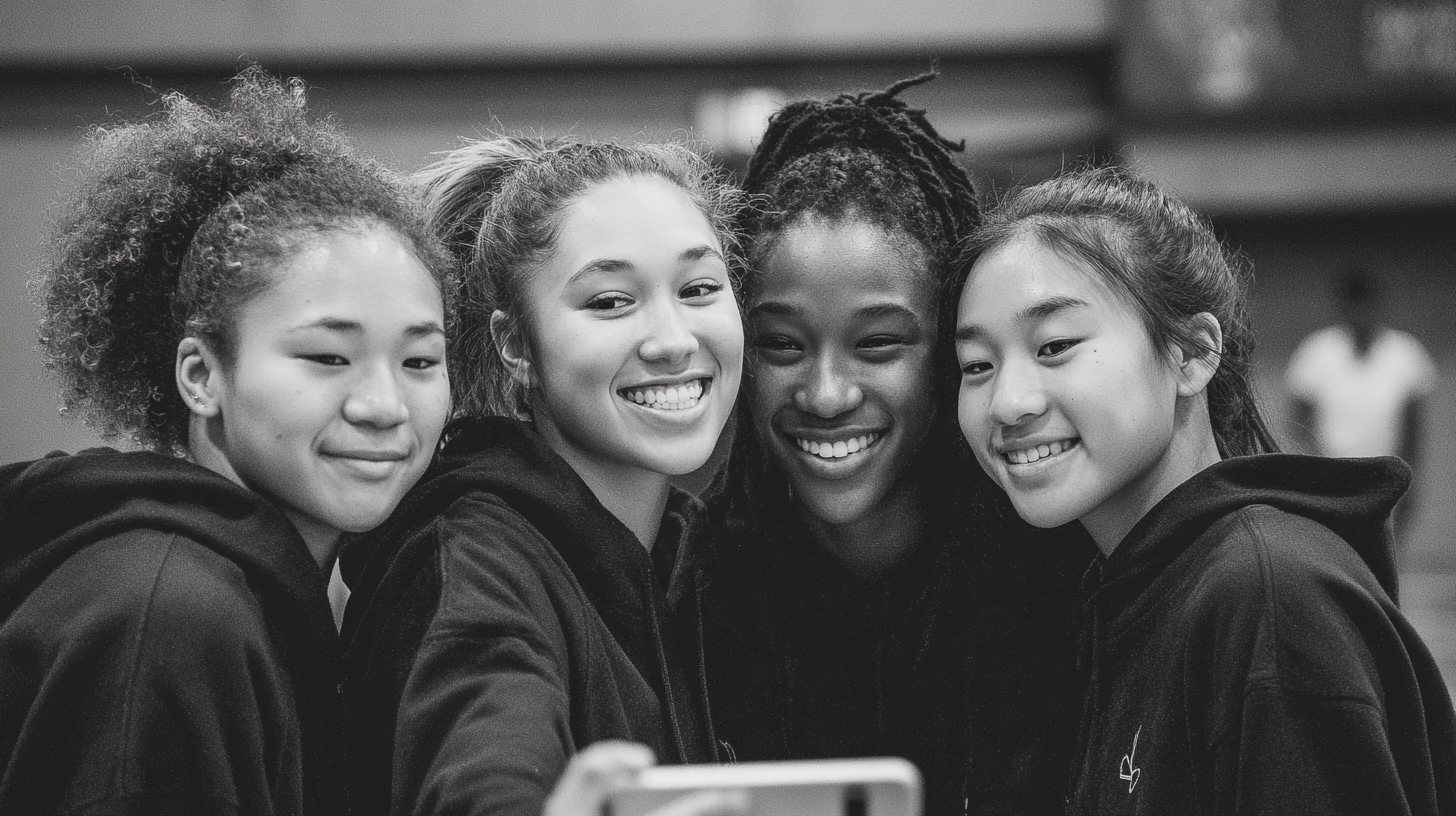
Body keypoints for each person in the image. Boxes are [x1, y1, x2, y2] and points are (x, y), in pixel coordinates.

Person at [0, 68, 454, 816]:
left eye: (419, 362)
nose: (384, 405)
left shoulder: (269, 597)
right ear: (201, 375)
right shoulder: (165, 621)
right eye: (327, 358)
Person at [952, 165, 1456, 814]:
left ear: (1191, 353)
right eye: (977, 366)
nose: (1008, 402)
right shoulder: (1125, 591)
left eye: (1054, 346)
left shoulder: (1267, 600)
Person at [700, 74, 1090, 816]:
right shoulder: (695, 594)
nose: (825, 393)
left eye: (877, 345)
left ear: (945, 353)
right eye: (781, 344)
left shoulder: (1064, 577)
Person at [338, 136, 745, 816]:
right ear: (515, 344)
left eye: (700, 288)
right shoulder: (474, 563)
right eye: (611, 302)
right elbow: (485, 767)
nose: (673, 340)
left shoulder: (683, 554)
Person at [1286, 265, 1437, 531]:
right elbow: (1298, 423)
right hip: (1330, 476)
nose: (1360, 314)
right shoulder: (1317, 352)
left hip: (1385, 476)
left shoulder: (1406, 354)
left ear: (1377, 306)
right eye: (1353, 306)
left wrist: (1409, 476)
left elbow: (1414, 428)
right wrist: (1317, 470)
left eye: (1365, 305)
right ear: (1342, 307)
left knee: (1383, 550)